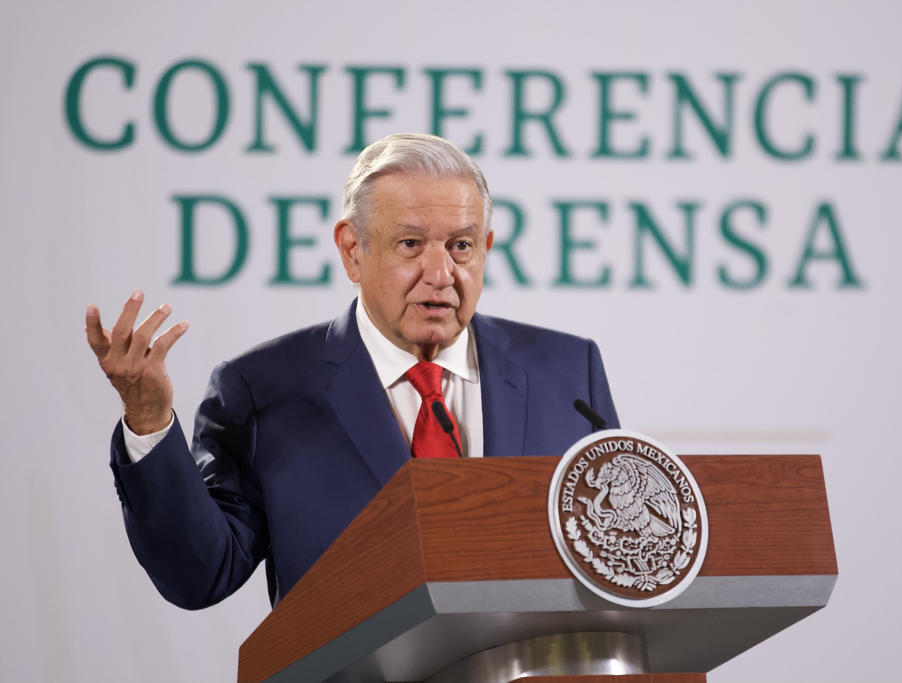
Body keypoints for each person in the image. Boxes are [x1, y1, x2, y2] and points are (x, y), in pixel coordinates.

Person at [86, 134, 619, 609]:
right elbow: (200, 574)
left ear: (486, 248)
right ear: (352, 251)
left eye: (461, 246)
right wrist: (148, 418)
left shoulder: (570, 374)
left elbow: (618, 556)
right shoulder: (261, 390)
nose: (441, 273)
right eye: (411, 244)